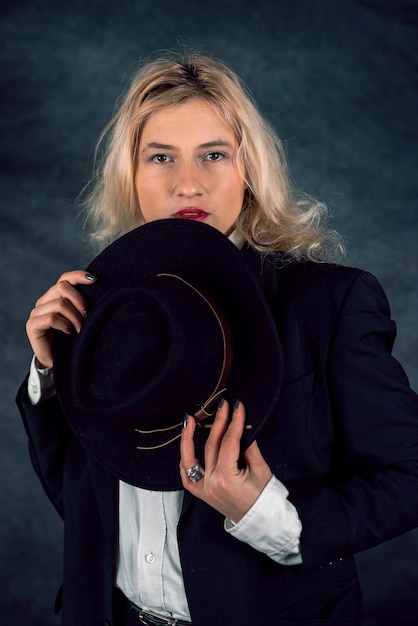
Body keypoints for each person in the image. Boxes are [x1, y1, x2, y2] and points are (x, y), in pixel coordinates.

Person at [16, 53, 418, 626]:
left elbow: (409, 475)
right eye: (161, 157)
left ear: (248, 169)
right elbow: (82, 497)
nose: (189, 182)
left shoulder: (328, 304)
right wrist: (50, 377)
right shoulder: (102, 311)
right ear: (130, 174)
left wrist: (266, 514)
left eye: (214, 154)